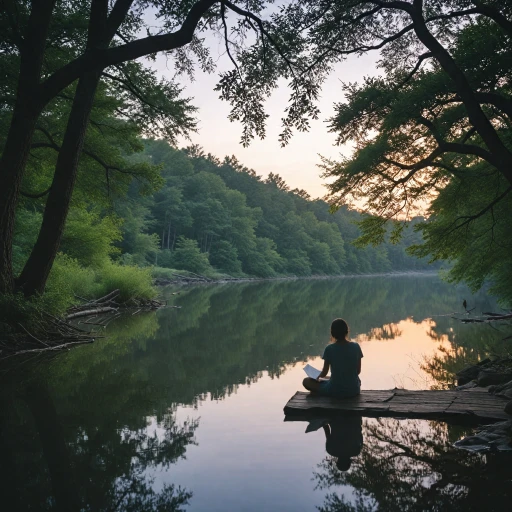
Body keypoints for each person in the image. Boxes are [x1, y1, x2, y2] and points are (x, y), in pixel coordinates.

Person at [302, 318, 363, 397]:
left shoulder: (329, 349)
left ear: (332, 333)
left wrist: (316, 376)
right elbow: (357, 371)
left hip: (335, 390)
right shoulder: (356, 346)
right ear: (347, 331)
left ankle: (318, 393)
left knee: (306, 381)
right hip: (354, 390)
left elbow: (324, 373)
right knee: (334, 378)